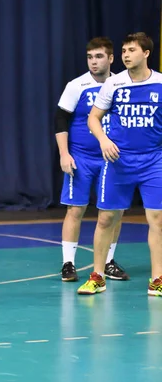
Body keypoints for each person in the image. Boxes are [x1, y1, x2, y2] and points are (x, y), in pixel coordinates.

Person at [78, 32, 162, 295]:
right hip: (118, 161)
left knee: (157, 220)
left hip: (153, 161)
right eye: (124, 50)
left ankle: (157, 280)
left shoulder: (160, 83)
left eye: (131, 50)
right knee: (106, 219)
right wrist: (103, 140)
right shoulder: (113, 84)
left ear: (146, 53)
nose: (126, 55)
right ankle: (97, 277)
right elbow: (93, 118)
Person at [55, 37, 128, 282]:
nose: (93, 62)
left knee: (114, 212)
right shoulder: (77, 85)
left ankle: (108, 261)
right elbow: (60, 120)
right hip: (82, 158)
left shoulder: (121, 84)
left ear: (110, 58)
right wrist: (65, 154)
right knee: (76, 209)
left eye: (98, 57)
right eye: (89, 57)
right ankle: (68, 263)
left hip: (112, 159)